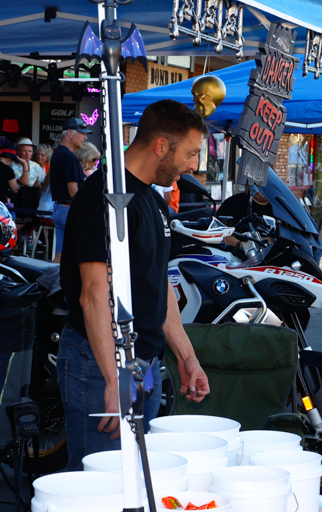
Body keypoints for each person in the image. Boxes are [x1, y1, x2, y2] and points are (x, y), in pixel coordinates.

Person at [58, 99, 211, 468]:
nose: (193, 165)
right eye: (190, 153)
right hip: (101, 365)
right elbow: (94, 294)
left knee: (137, 481)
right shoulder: (104, 196)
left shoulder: (153, 201)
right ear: (161, 146)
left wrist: (187, 358)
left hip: (143, 365)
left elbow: (159, 289)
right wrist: (114, 380)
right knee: (104, 485)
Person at [50, 117, 93, 260]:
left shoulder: (59, 153)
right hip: (69, 209)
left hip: (60, 208)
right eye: (82, 133)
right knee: (77, 255)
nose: (85, 137)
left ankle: (53, 282)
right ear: (69, 133)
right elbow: (73, 191)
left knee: (61, 255)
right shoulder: (68, 157)